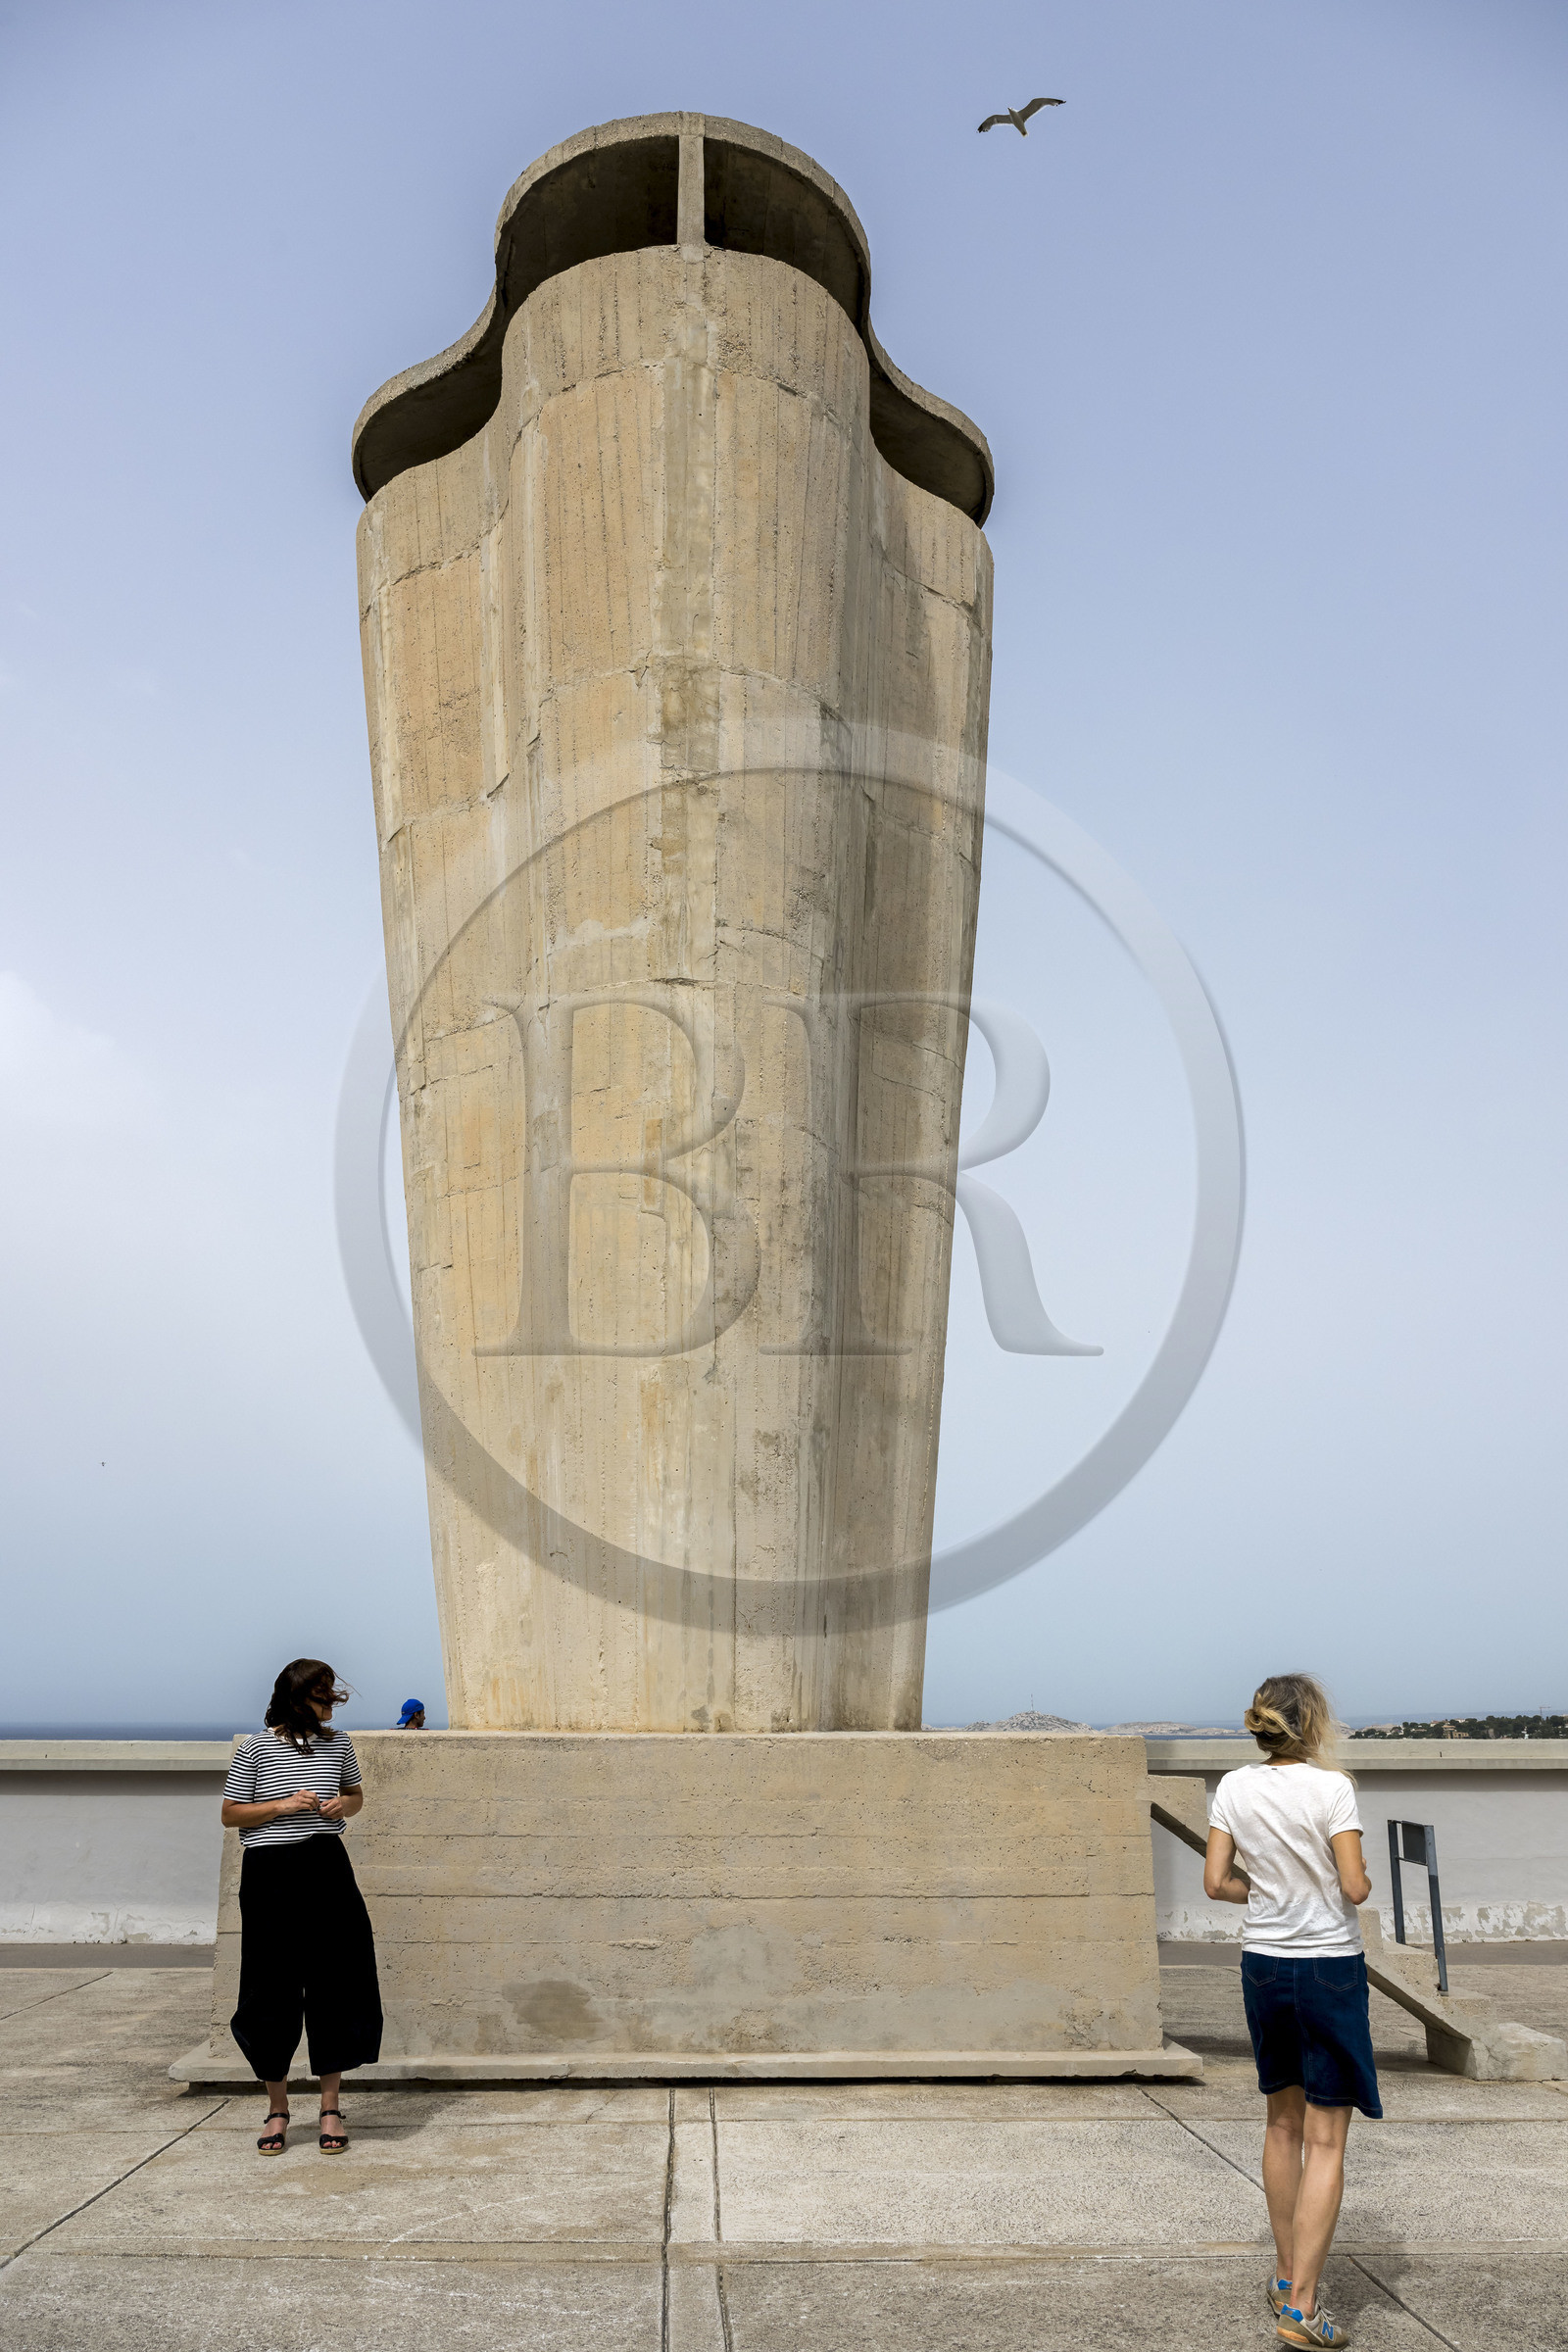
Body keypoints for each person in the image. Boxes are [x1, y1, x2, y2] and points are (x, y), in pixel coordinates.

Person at [1203, 1672, 1379, 2348]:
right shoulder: (1332, 1789)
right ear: (1312, 1723)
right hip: (1328, 1967)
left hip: (1264, 1966)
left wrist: (1271, 1890)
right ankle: (1302, 2310)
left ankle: (1285, 2277)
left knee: (1282, 2124)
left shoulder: (1235, 1787)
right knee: (1326, 2138)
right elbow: (1356, 1887)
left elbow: (1217, 1883)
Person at [220, 1657, 383, 2156]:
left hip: (327, 1867)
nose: (331, 1702)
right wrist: (282, 1805)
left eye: (331, 1693)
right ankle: (277, 2108)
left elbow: (354, 1795)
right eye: (322, 1694)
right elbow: (230, 1814)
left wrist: (342, 1806)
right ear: (297, 1698)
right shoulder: (255, 1744)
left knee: (336, 1982)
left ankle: (330, 2106)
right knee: (270, 1989)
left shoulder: (339, 1743)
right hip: (270, 1873)